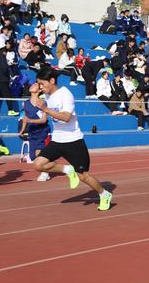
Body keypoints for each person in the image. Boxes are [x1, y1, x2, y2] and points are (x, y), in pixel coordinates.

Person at [31, 67, 113, 210]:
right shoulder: (47, 94)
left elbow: (66, 117)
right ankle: (68, 170)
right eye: (38, 84)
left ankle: (104, 194)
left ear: (52, 81)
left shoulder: (65, 95)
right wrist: (33, 93)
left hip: (73, 141)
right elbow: (35, 104)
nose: (40, 87)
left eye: (42, 84)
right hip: (57, 140)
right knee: (38, 164)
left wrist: (46, 109)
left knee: (84, 177)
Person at [18, 83, 51, 180]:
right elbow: (25, 118)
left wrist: (30, 121)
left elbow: (44, 120)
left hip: (42, 130)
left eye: (35, 85)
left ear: (40, 90)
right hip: (32, 131)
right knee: (32, 157)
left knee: (38, 153)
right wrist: (22, 130)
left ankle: (45, 173)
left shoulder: (42, 103)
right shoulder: (25, 103)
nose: (32, 86)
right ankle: (52, 166)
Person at [0, 47, 19, 117]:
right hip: (3, 79)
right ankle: (10, 110)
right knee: (8, 95)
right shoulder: (2, 58)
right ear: (4, 52)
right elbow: (4, 68)